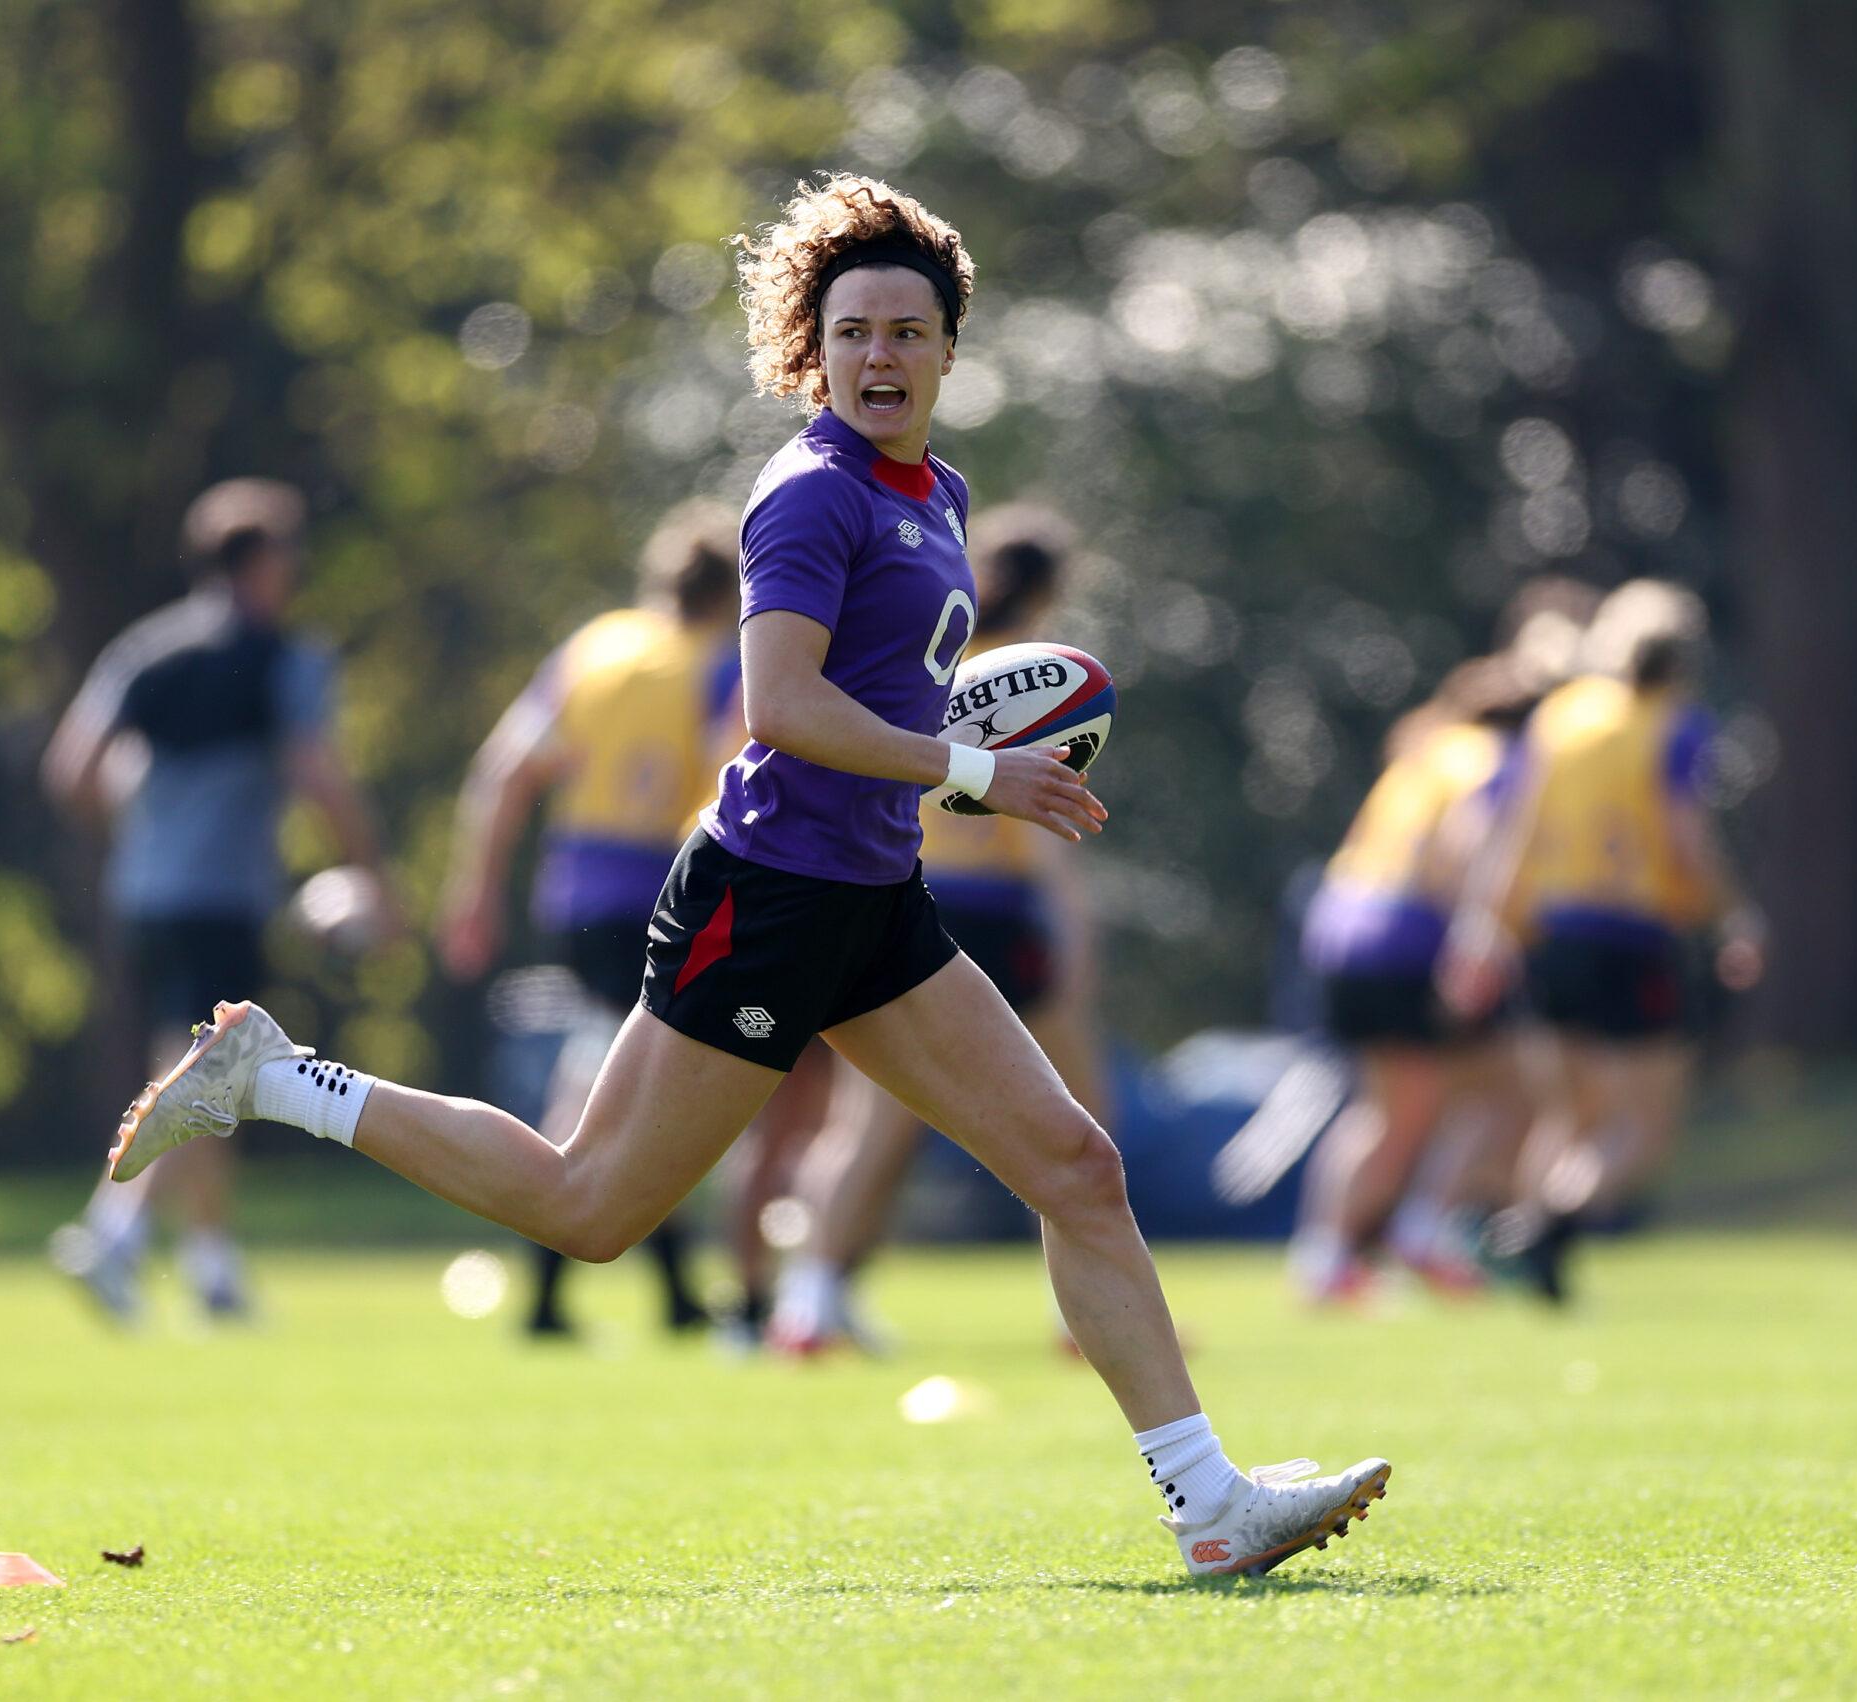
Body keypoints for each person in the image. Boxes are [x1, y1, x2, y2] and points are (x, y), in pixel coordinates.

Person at [106, 173, 1388, 1577]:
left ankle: (1209, 1504)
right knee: (590, 1207)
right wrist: (973, 768)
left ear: (950, 349)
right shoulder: (810, 494)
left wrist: (973, 740)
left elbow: (885, 686)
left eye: (907, 331)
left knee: (1077, 1164)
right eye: (854, 332)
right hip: (766, 896)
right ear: (812, 349)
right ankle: (278, 1079)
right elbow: (780, 706)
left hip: (876, 896)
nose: (881, 355)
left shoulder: (939, 493)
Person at [43, 478, 396, 1323]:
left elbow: (73, 770)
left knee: (205, 1072)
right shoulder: (282, 657)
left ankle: (211, 1266)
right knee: (205, 1075)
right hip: (221, 896)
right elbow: (316, 771)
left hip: (143, 893)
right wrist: (372, 871)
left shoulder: (145, 649)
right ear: (263, 562)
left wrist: (148, 824)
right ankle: (113, 1234)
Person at [768, 507, 1108, 1355]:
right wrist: (1074, 936)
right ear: (1050, 591)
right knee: (1079, 1117)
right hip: (994, 906)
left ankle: (811, 1301)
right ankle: (1087, 1314)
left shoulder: (924, 652)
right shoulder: (1037, 671)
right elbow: (1045, 825)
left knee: (876, 1121)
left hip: (904, 884)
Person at [436, 502, 744, 1339]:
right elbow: (732, 790)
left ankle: (668, 1295)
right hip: (663, 893)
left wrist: (475, 891)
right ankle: (561, 1290)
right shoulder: (720, 666)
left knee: (630, 1081)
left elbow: (504, 772)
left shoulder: (592, 651)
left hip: (573, 896)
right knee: (620, 1088)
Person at [1439, 580, 1764, 1303]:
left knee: (1569, 1116)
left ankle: (1525, 1259)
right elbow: (1686, 836)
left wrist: (1483, 929)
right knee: (1644, 1126)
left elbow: (1516, 834)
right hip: (1632, 936)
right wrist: (1733, 915)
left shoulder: (1561, 716)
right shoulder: (1671, 723)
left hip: (1552, 938)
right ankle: (1544, 1231)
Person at [1285, 657, 1529, 1306]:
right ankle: (1413, 1236)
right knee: (1489, 1095)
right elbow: (1463, 847)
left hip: (1341, 928)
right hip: (1405, 936)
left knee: (1394, 1106)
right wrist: (1478, 935)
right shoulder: (1495, 758)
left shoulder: (1426, 751)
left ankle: (1334, 1254)